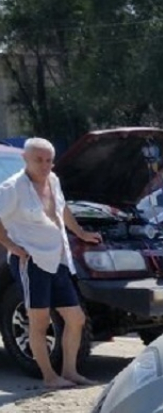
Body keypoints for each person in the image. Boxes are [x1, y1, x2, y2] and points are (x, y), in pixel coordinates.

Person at [0, 137, 102, 388]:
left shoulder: (53, 181)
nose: (45, 165)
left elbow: (62, 210)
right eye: (39, 160)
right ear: (25, 159)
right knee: (39, 321)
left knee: (75, 318)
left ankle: (70, 371)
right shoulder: (12, 189)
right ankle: (49, 377)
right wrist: (12, 247)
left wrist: (81, 233)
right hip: (31, 261)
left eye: (49, 160)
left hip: (58, 259)